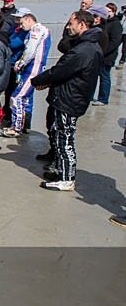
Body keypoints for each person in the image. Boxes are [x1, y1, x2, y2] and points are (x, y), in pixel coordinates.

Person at [32, 10, 102, 191]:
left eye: (71, 23)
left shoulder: (84, 49)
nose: (68, 27)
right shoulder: (85, 46)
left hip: (70, 100)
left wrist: (37, 81)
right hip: (68, 95)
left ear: (82, 25)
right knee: (58, 134)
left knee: (65, 139)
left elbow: (61, 70)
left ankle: (67, 178)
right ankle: (60, 170)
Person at [2, 10, 51, 138]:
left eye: (22, 23)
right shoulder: (38, 30)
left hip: (32, 69)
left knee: (16, 97)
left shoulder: (37, 30)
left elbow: (30, 51)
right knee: (26, 99)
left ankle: (16, 127)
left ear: (29, 19)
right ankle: (22, 125)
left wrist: (20, 63)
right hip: (32, 68)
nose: (20, 26)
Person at [90, 3, 122, 106]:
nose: (107, 13)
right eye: (106, 11)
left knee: (104, 77)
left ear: (113, 12)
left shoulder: (116, 24)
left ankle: (103, 99)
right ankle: (90, 96)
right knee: (93, 76)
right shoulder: (104, 23)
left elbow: (115, 42)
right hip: (98, 54)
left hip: (108, 56)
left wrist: (103, 51)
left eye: (109, 12)